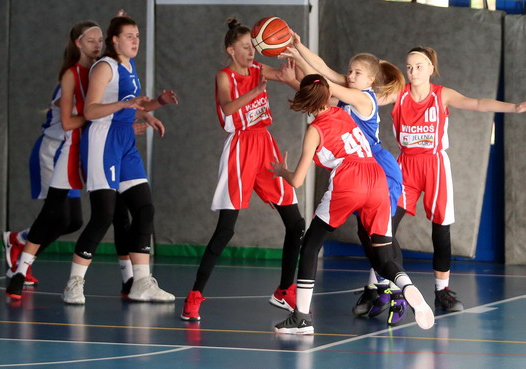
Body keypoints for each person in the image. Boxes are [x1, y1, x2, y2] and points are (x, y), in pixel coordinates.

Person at [4, 20, 166, 300]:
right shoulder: (75, 74)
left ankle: (132, 280)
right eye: (91, 41)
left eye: (100, 40)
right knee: (60, 213)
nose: (97, 45)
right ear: (78, 43)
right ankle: (20, 270)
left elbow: (116, 106)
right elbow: (76, 120)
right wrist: (116, 116)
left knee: (101, 217)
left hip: (101, 142)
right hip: (65, 146)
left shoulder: (110, 67)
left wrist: (138, 114)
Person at [270, 74, 434, 334]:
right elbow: (320, 94)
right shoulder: (342, 114)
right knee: (382, 253)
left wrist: (282, 171)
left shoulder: (314, 130)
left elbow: (298, 181)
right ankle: (406, 286)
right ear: (328, 96)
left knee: (311, 244)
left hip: (350, 179)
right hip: (376, 177)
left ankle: (301, 318)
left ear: (304, 98)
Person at [384, 46, 526, 312]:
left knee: (441, 229)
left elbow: (478, 103)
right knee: (384, 227)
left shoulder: (441, 95)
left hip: (434, 164)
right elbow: (362, 97)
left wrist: (514, 108)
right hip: (405, 165)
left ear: (431, 68)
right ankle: (381, 287)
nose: (413, 72)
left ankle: (441, 291)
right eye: (409, 67)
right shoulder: (397, 94)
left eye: (419, 66)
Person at [179, 18, 305, 322]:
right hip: (240, 148)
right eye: (246, 47)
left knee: (296, 223)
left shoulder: (259, 69)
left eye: (253, 47)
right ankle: (194, 296)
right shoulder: (224, 76)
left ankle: (284, 290)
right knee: (226, 229)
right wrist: (255, 91)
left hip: (265, 145)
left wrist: (295, 61)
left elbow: (298, 83)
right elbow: (227, 108)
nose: (251, 52)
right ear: (230, 50)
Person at [279, 36, 408, 324]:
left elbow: (324, 83)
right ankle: (379, 289)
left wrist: (298, 59)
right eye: (349, 71)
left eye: (356, 72)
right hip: (360, 168)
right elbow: (323, 78)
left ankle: (395, 290)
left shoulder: (362, 97)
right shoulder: (350, 93)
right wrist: (299, 47)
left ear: (371, 79)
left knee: (382, 234)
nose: (350, 75)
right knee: (366, 234)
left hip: (377, 166)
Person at [61, 14, 177, 305]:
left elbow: (133, 105)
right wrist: (127, 104)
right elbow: (90, 111)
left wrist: (156, 106)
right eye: (129, 36)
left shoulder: (129, 66)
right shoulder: (105, 67)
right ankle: (74, 283)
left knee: (145, 209)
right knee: (103, 215)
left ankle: (141, 283)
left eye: (137, 35)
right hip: (104, 140)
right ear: (114, 40)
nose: (136, 40)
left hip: (125, 140)